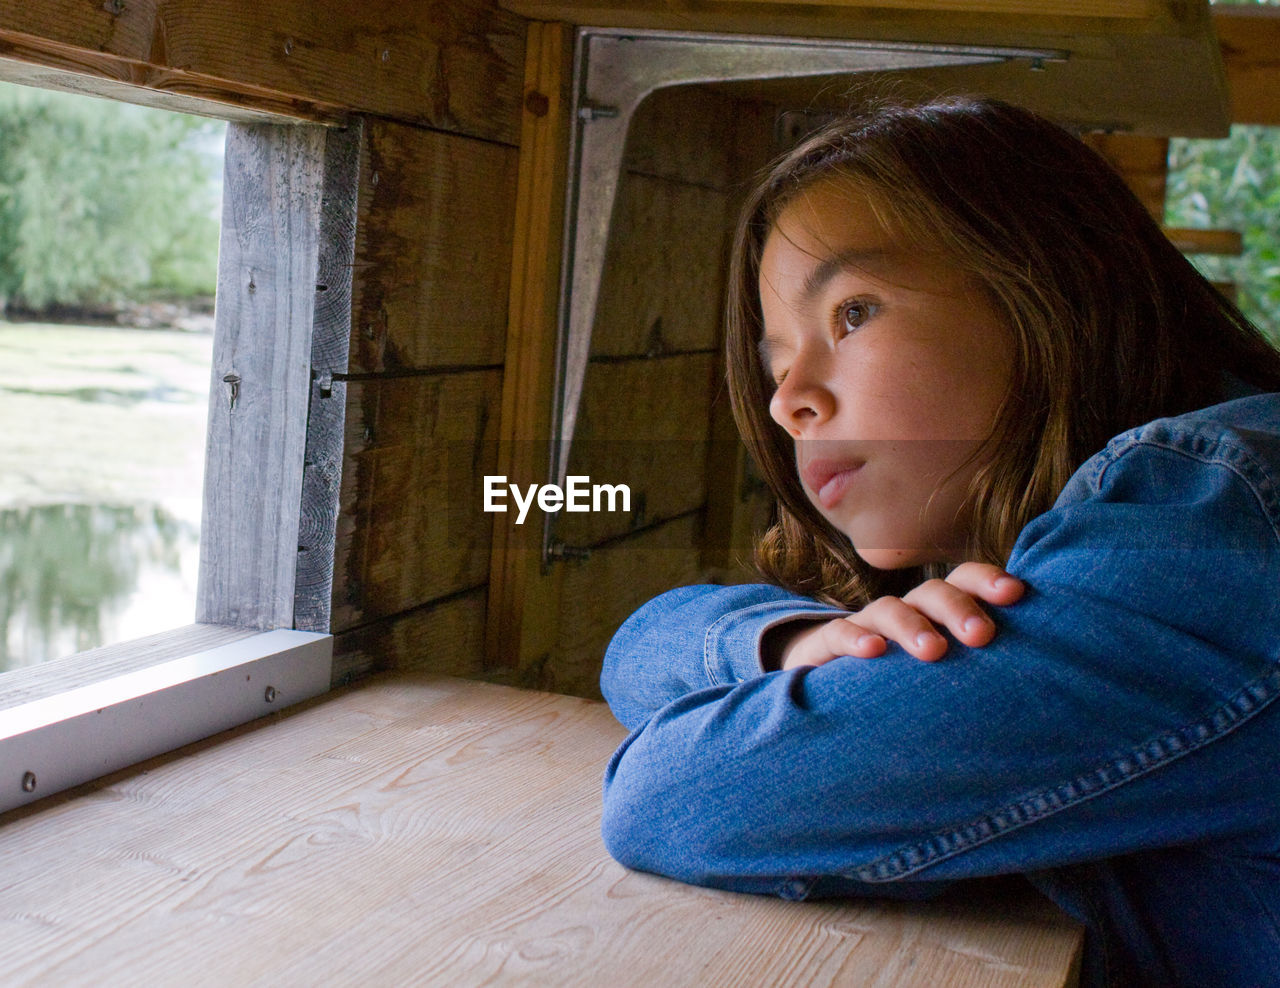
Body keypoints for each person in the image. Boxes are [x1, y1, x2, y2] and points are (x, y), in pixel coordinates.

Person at [598, 96, 1280, 987]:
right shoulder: (1036, 554)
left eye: (851, 313)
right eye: (775, 361)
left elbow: (683, 800)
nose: (787, 399)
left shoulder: (1203, 524)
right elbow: (638, 647)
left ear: (1045, 284)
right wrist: (796, 644)